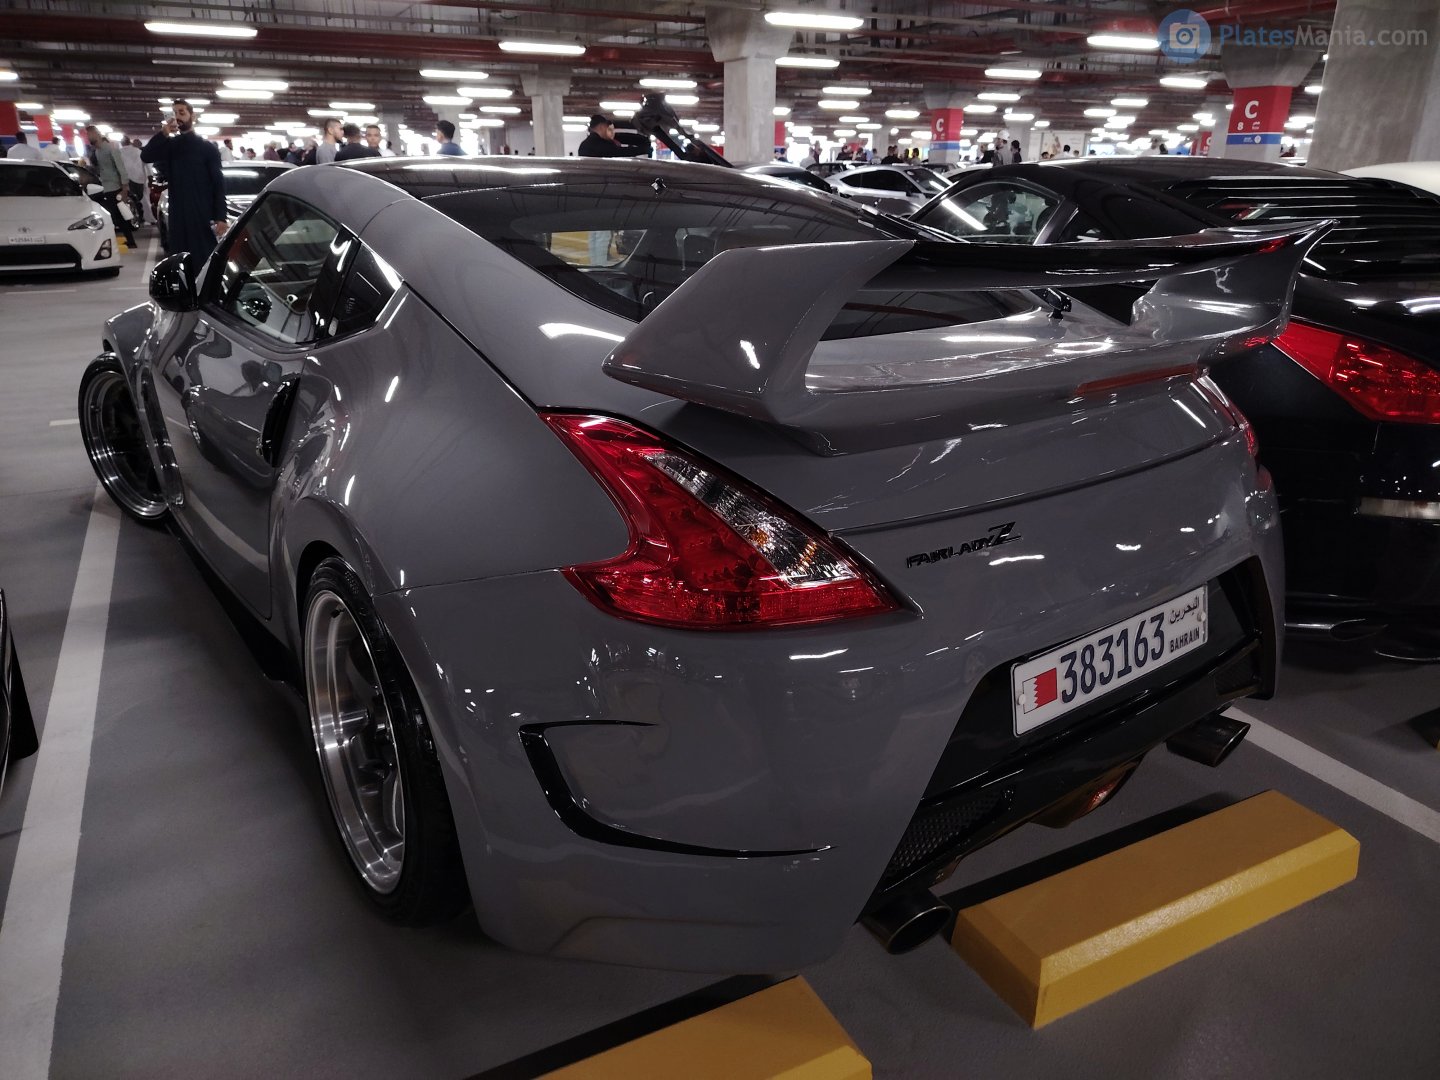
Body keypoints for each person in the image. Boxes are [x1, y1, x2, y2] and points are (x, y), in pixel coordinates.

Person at [141, 99, 227, 262]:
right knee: (181, 261)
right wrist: (163, 134)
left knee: (203, 259)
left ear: (192, 116)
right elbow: (146, 156)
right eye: (175, 113)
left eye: (182, 112)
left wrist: (220, 216)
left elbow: (218, 183)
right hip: (178, 215)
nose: (178, 116)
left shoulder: (207, 149)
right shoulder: (171, 146)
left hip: (201, 213)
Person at [84, 124, 137, 248]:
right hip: (106, 187)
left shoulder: (111, 148)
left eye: (90, 134)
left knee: (118, 215)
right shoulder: (97, 152)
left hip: (115, 187)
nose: (88, 137)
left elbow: (121, 168)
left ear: (97, 134)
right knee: (115, 216)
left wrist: (124, 189)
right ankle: (128, 241)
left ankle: (130, 241)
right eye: (87, 135)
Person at [577, 114, 649, 159]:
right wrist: (643, 150)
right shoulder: (596, 144)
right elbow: (620, 152)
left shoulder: (587, 143)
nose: (611, 132)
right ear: (601, 127)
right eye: (607, 128)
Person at [120, 135, 148, 225]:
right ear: (130, 142)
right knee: (138, 197)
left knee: (128, 199)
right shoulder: (138, 152)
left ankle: (132, 216)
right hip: (138, 178)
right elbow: (145, 165)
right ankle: (140, 216)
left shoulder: (119, 152)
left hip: (125, 179)